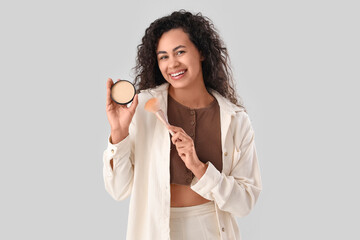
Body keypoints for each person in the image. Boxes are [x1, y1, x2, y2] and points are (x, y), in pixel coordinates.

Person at [103, 10, 262, 240]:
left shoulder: (235, 119)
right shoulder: (143, 108)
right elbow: (118, 189)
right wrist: (118, 133)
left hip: (213, 230)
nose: (172, 63)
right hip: (156, 230)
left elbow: (245, 203)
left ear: (202, 53)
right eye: (163, 56)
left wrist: (199, 167)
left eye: (180, 52)